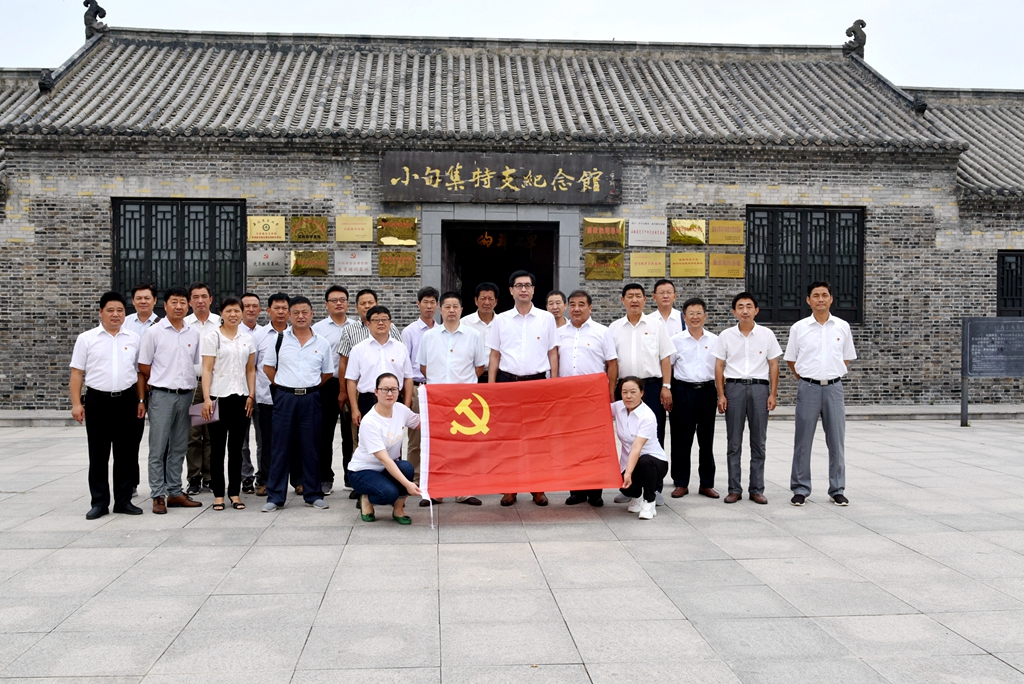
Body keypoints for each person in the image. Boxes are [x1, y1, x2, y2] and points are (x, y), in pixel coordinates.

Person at [69, 291, 147, 520]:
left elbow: (139, 373)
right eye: (110, 310)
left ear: (125, 313)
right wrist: (76, 403)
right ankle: (99, 502)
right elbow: (77, 373)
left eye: (120, 310)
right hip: (97, 401)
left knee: (126, 453)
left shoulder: (134, 338)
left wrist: (141, 400)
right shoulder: (86, 338)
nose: (115, 314)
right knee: (98, 454)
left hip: (127, 400)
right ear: (101, 312)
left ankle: (123, 501)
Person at [488, 270, 559, 507]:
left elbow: (553, 352)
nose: (523, 289)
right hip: (507, 383)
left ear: (534, 290)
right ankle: (510, 488)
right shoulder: (501, 320)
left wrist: (553, 383)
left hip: (537, 383)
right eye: (518, 286)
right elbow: (494, 354)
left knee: (537, 439)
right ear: (511, 291)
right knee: (508, 438)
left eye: (527, 285)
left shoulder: (546, 319)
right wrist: (491, 388)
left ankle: (538, 488)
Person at [785, 281, 857, 507]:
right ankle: (800, 488)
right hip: (808, 387)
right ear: (808, 300)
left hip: (834, 388)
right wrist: (808, 378)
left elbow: (846, 358)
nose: (820, 299)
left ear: (831, 299)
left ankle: (837, 489)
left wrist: (830, 375)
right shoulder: (799, 328)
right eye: (815, 295)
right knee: (803, 441)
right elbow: (791, 359)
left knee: (836, 441)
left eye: (825, 295)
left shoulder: (842, 326)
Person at [261, 296, 334, 512]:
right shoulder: (279, 339)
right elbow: (268, 368)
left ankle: (313, 494)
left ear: (312, 314)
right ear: (289, 315)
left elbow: (327, 373)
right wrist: (284, 386)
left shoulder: (322, 342)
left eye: (305, 312)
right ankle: (275, 496)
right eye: (296, 313)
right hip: (285, 398)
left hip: (311, 398)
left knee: (311, 447)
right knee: (280, 447)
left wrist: (308, 387)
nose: (300, 316)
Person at [416, 291, 487, 506]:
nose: (451, 310)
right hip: (437, 399)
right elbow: (423, 366)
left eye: (455, 306)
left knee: (464, 446)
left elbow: (479, 367)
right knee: (438, 445)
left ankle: (463, 490)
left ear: (462, 310)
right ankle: (437, 491)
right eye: (447, 307)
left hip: (464, 399)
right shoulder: (429, 337)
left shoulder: (473, 335)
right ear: (440, 309)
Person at [137, 287, 204, 514]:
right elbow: (143, 365)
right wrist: (161, 379)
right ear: (164, 305)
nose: (179, 306)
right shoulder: (154, 333)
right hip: (161, 396)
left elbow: (194, 364)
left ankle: (175, 492)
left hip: (186, 395)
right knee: (158, 447)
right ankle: (158, 494)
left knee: (179, 446)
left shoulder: (193, 333)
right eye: (174, 302)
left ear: (188, 306)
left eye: (183, 302)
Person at [713, 292, 782, 505]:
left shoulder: (767, 334)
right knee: (733, 442)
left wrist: (773, 394)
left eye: (749, 306)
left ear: (756, 310)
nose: (745, 311)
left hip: (759, 389)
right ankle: (734, 489)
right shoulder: (726, 335)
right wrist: (721, 394)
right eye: (740, 307)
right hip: (734, 388)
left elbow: (773, 365)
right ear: (734, 312)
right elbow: (719, 365)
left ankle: (756, 489)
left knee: (758, 441)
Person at [608, 283, 673, 504]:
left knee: (654, 434)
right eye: (630, 296)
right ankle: (630, 486)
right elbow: (612, 362)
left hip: (651, 387)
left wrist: (666, 386)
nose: (634, 300)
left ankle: (655, 489)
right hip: (625, 388)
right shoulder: (614, 328)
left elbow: (665, 357)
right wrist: (611, 390)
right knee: (626, 435)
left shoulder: (656, 326)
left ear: (645, 299)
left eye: (638, 296)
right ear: (622, 300)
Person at [335, 288, 403, 500]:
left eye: (370, 302)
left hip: (391, 398)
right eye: (363, 303)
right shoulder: (352, 334)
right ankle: (362, 484)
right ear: (357, 308)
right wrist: (349, 399)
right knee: (362, 442)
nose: (367, 306)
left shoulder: (394, 334)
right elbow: (346, 369)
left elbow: (404, 369)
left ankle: (390, 481)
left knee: (392, 441)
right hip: (366, 397)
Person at [559, 289, 618, 508]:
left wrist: (610, 392)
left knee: (594, 444)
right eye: (572, 304)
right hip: (567, 396)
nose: (576, 309)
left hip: (594, 397)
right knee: (572, 445)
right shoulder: (559, 333)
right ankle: (576, 490)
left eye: (581, 304)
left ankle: (595, 491)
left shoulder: (602, 332)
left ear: (590, 307)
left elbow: (612, 363)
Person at [201, 296, 257, 511]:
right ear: (221, 313)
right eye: (228, 311)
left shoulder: (247, 338)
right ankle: (218, 494)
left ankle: (234, 493)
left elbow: (250, 369)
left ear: (241, 313)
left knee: (237, 448)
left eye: (237, 311)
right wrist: (206, 398)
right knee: (216, 449)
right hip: (217, 398)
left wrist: (251, 395)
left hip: (241, 399)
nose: (233, 314)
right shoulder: (212, 337)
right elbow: (207, 370)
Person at [348, 373, 422, 524]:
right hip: (363, 471)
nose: (389, 394)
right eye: (385, 389)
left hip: (386, 468)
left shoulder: (400, 409)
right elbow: (385, 459)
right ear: (376, 392)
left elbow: (421, 423)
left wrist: (429, 402)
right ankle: (366, 498)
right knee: (389, 494)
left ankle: (398, 510)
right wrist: (408, 484)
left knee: (406, 468)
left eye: (394, 389)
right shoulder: (370, 422)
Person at [669, 297, 720, 499]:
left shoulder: (715, 340)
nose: (695, 317)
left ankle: (706, 484)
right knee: (681, 439)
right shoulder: (676, 340)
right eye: (691, 314)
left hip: (707, 392)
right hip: (683, 391)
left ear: (705, 316)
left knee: (706, 439)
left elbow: (720, 368)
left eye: (699, 313)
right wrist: (668, 389)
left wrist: (721, 394)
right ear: (684, 317)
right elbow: (669, 367)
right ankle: (681, 482)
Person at [312, 285, 354, 496]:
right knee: (324, 433)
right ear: (326, 304)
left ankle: (350, 476)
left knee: (351, 433)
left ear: (348, 303)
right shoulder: (318, 329)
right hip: (327, 384)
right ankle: (325, 478)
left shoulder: (356, 327)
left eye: (342, 299)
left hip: (352, 384)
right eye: (334, 300)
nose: (339, 303)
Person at [345, 305, 414, 425]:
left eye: (384, 319)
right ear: (368, 324)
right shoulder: (358, 349)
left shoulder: (401, 348)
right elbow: (351, 380)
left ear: (390, 322)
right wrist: (355, 409)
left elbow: (408, 378)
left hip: (395, 400)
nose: (381, 323)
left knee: (394, 435)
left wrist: (406, 406)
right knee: (368, 435)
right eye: (376, 320)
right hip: (368, 400)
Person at [613, 377, 669, 520]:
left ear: (642, 393)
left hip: (654, 462)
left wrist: (628, 473)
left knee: (645, 461)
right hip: (630, 462)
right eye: (624, 392)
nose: (628, 396)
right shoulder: (618, 407)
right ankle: (637, 496)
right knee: (625, 486)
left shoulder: (647, 416)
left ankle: (649, 501)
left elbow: (637, 447)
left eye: (633, 392)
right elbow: (596, 408)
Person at [123, 282, 160, 497]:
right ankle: (130, 482)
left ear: (155, 301)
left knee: (161, 437)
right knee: (130, 438)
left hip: (157, 386)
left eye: (147, 298)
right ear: (133, 301)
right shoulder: (125, 323)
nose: (143, 301)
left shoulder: (162, 324)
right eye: (139, 298)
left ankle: (163, 482)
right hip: (131, 386)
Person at [184, 282, 221, 495]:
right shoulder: (185, 324)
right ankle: (194, 477)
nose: (200, 301)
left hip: (214, 384)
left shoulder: (220, 322)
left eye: (204, 296)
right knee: (193, 434)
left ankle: (210, 476)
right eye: (195, 297)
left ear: (210, 299)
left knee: (211, 433)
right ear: (190, 301)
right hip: (193, 385)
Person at [253, 292, 289, 497]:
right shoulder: (259, 336)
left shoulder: (296, 334)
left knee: (294, 440)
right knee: (267, 442)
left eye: (284, 308)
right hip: (266, 398)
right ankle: (266, 480)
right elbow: (252, 367)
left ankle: (298, 480)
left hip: (291, 397)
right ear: (268, 311)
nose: (281, 312)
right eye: (277, 308)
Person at [401, 286, 439, 479]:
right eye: (425, 302)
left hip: (438, 389)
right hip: (417, 387)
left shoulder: (442, 331)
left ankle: (435, 473)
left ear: (437, 305)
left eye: (433, 302)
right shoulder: (409, 332)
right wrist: (406, 395)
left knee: (438, 435)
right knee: (415, 437)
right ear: (418, 304)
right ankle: (414, 477)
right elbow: (404, 364)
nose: (429, 306)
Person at [238, 292, 263, 494]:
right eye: (247, 306)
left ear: (261, 309)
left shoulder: (265, 333)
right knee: (241, 439)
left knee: (264, 439)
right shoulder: (232, 332)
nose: (251, 309)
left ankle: (263, 476)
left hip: (261, 393)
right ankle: (246, 476)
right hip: (239, 392)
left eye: (255, 306)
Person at [461, 282, 499, 383]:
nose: (487, 302)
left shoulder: (503, 323)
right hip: (472, 375)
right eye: (483, 298)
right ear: (476, 300)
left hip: (498, 376)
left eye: (490, 299)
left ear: (496, 302)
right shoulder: (464, 323)